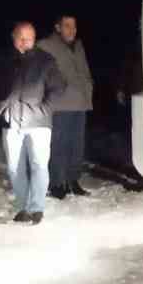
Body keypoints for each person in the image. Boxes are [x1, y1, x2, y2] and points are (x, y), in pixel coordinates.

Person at [0, 21, 64, 224]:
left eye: (30, 39)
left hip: (39, 123)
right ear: (13, 38)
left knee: (39, 165)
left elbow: (58, 87)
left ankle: (36, 208)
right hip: (11, 122)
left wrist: (44, 109)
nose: (25, 43)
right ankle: (22, 207)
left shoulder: (45, 60)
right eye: (21, 38)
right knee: (14, 167)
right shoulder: (3, 60)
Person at [37, 13, 94, 199]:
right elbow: (37, 72)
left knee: (76, 145)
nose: (72, 30)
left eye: (74, 26)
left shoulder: (78, 46)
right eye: (67, 26)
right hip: (59, 104)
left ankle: (73, 181)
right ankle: (57, 184)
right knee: (59, 145)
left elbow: (84, 71)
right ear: (58, 28)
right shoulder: (46, 45)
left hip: (81, 103)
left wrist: (89, 86)